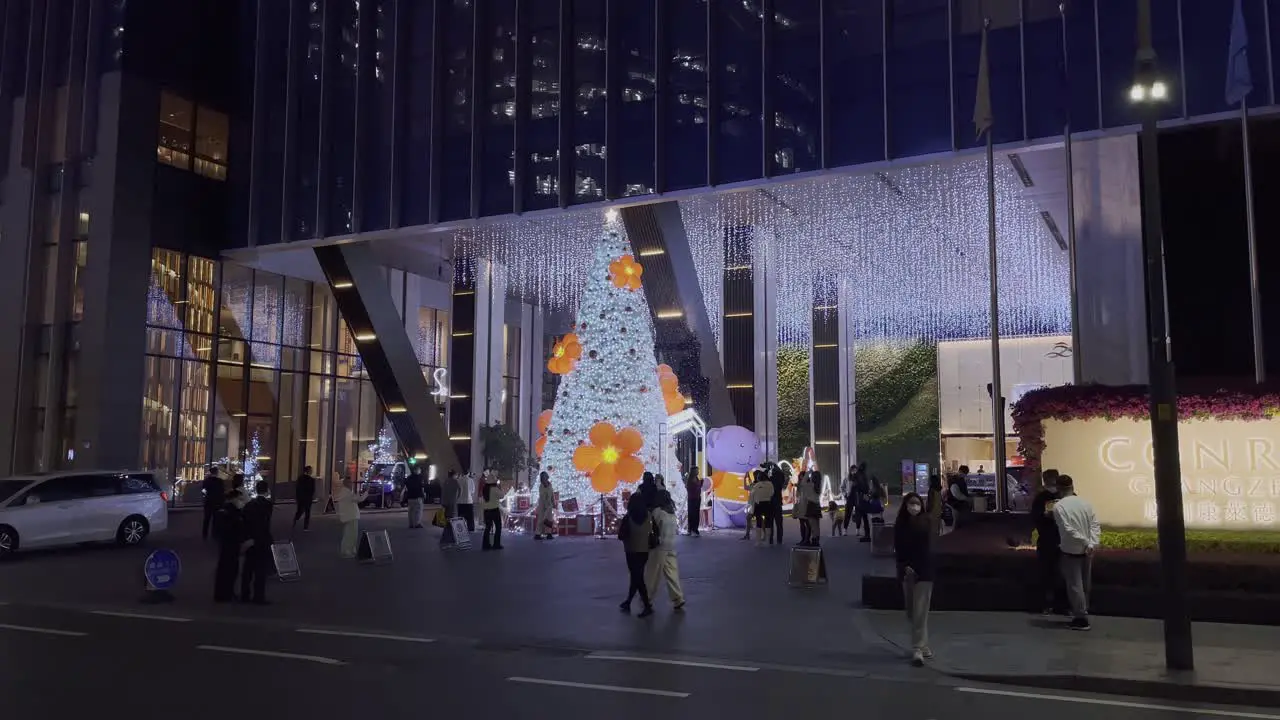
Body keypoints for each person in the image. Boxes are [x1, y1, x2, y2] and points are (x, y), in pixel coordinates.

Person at [1052, 474, 1100, 631]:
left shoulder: (1059, 507)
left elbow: (1067, 529)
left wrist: (1086, 542)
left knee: (1074, 585)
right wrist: (1092, 543)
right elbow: (1094, 525)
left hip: (1070, 550)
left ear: (1058, 488)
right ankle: (1083, 612)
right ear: (1072, 486)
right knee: (1085, 584)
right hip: (1088, 551)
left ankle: (1080, 618)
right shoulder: (1085, 503)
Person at [895, 492, 935, 666]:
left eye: (917, 503)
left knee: (920, 610)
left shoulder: (926, 523)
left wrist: (917, 567)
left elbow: (928, 548)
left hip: (924, 572)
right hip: (907, 572)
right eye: (911, 503)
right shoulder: (900, 524)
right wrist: (905, 566)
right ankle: (923, 645)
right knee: (912, 611)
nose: (914, 507)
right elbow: (898, 548)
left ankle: (917, 648)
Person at [1031, 469, 1066, 614]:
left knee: (1046, 574)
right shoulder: (1066, 497)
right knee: (1061, 574)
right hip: (1062, 541)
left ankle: (1046, 605)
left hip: (1047, 540)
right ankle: (1061, 606)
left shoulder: (1040, 498)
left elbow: (1035, 518)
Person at [645, 491, 685, 611]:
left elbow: (650, 526)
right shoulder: (672, 513)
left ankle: (646, 598)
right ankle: (678, 598)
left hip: (659, 547)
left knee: (652, 575)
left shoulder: (657, 512)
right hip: (671, 546)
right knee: (672, 573)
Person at [617, 491, 655, 618]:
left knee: (637, 578)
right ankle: (628, 602)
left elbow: (621, 535)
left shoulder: (628, 518)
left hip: (631, 551)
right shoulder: (649, 515)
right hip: (644, 551)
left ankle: (647, 606)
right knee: (636, 577)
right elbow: (655, 532)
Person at [240, 480, 274, 605]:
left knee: (248, 569)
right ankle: (258, 596)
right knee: (260, 570)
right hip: (262, 540)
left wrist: (247, 538)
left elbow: (245, 522)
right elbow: (264, 524)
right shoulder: (267, 505)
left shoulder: (249, 505)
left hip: (250, 540)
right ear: (266, 490)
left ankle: (245, 594)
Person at [212, 489, 249, 602]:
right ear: (233, 499)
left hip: (227, 545)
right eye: (239, 499)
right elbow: (232, 528)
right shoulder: (229, 512)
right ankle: (226, 594)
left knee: (226, 570)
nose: (241, 502)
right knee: (229, 570)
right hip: (230, 544)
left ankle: (224, 593)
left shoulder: (226, 511)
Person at [334, 478, 368, 559]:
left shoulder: (344, 492)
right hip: (351, 515)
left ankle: (348, 549)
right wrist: (366, 493)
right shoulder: (347, 492)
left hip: (348, 516)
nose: (352, 484)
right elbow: (359, 499)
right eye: (350, 483)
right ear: (347, 484)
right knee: (351, 534)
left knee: (348, 533)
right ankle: (348, 550)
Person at [480, 473, 505, 550]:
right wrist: (499, 486)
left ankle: (485, 544)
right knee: (498, 527)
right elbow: (502, 496)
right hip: (494, 510)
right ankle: (496, 544)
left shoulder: (484, 488)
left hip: (486, 511)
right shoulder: (495, 489)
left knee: (487, 528)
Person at [749, 470, 774, 545]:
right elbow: (772, 493)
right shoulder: (770, 484)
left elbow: (752, 496)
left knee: (758, 522)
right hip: (768, 504)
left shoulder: (757, 485)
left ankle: (758, 541)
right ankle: (767, 540)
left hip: (759, 504)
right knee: (768, 522)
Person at [201, 467, 225, 540]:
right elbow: (222, 491)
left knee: (207, 518)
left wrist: (206, 496)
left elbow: (203, 490)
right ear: (217, 473)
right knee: (216, 519)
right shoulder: (220, 481)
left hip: (208, 501)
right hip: (217, 502)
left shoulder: (207, 481)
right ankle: (214, 534)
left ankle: (205, 533)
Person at [767, 462, 787, 544]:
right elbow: (782, 475)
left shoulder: (770, 480)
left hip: (771, 503)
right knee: (779, 523)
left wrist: (769, 467)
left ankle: (770, 538)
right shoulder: (780, 482)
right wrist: (775, 466)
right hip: (778, 502)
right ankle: (779, 539)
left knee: (770, 522)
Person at [293, 465, 317, 532]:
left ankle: (295, 521)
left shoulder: (300, 478)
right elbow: (312, 490)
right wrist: (312, 497)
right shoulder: (311, 480)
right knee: (307, 512)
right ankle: (305, 527)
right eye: (311, 470)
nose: (311, 471)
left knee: (300, 510)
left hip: (301, 497)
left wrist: (297, 497)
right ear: (308, 471)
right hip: (308, 498)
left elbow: (297, 488)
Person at [534, 472, 556, 540]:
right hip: (543, 505)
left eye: (545, 476)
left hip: (549, 505)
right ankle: (538, 534)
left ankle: (549, 534)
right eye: (543, 477)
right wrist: (546, 505)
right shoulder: (541, 486)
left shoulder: (550, 485)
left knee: (549, 519)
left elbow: (552, 494)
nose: (545, 478)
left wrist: (553, 502)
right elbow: (543, 496)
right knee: (541, 519)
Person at [684, 469, 702, 537]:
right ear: (693, 472)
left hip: (697, 498)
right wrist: (699, 484)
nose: (698, 472)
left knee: (696, 514)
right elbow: (691, 488)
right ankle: (691, 530)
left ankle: (695, 529)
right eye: (697, 470)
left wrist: (700, 483)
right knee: (692, 514)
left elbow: (699, 487)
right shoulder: (690, 480)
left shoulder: (697, 479)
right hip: (692, 499)